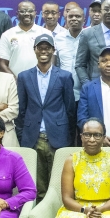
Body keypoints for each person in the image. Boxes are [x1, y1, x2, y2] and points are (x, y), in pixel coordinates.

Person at [16, 34, 76, 200]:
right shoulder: (24, 77)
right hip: (33, 138)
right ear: (34, 50)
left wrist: (68, 137)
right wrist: (23, 136)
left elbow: (70, 109)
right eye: (40, 48)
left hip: (58, 137)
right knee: (38, 186)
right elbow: (21, 110)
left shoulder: (64, 76)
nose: (44, 51)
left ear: (53, 50)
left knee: (59, 184)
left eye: (47, 48)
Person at [0, 1, 52, 76]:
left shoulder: (45, 33)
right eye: (23, 11)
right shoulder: (7, 35)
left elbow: (52, 59)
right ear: (17, 14)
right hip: (15, 83)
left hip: (40, 82)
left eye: (30, 11)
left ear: (35, 13)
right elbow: (2, 63)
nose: (26, 14)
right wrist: (15, 81)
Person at [53, 2, 85, 100]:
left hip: (84, 91)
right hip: (63, 91)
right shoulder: (58, 38)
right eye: (70, 16)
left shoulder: (90, 36)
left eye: (77, 16)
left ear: (84, 19)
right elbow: (55, 64)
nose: (73, 19)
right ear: (66, 19)